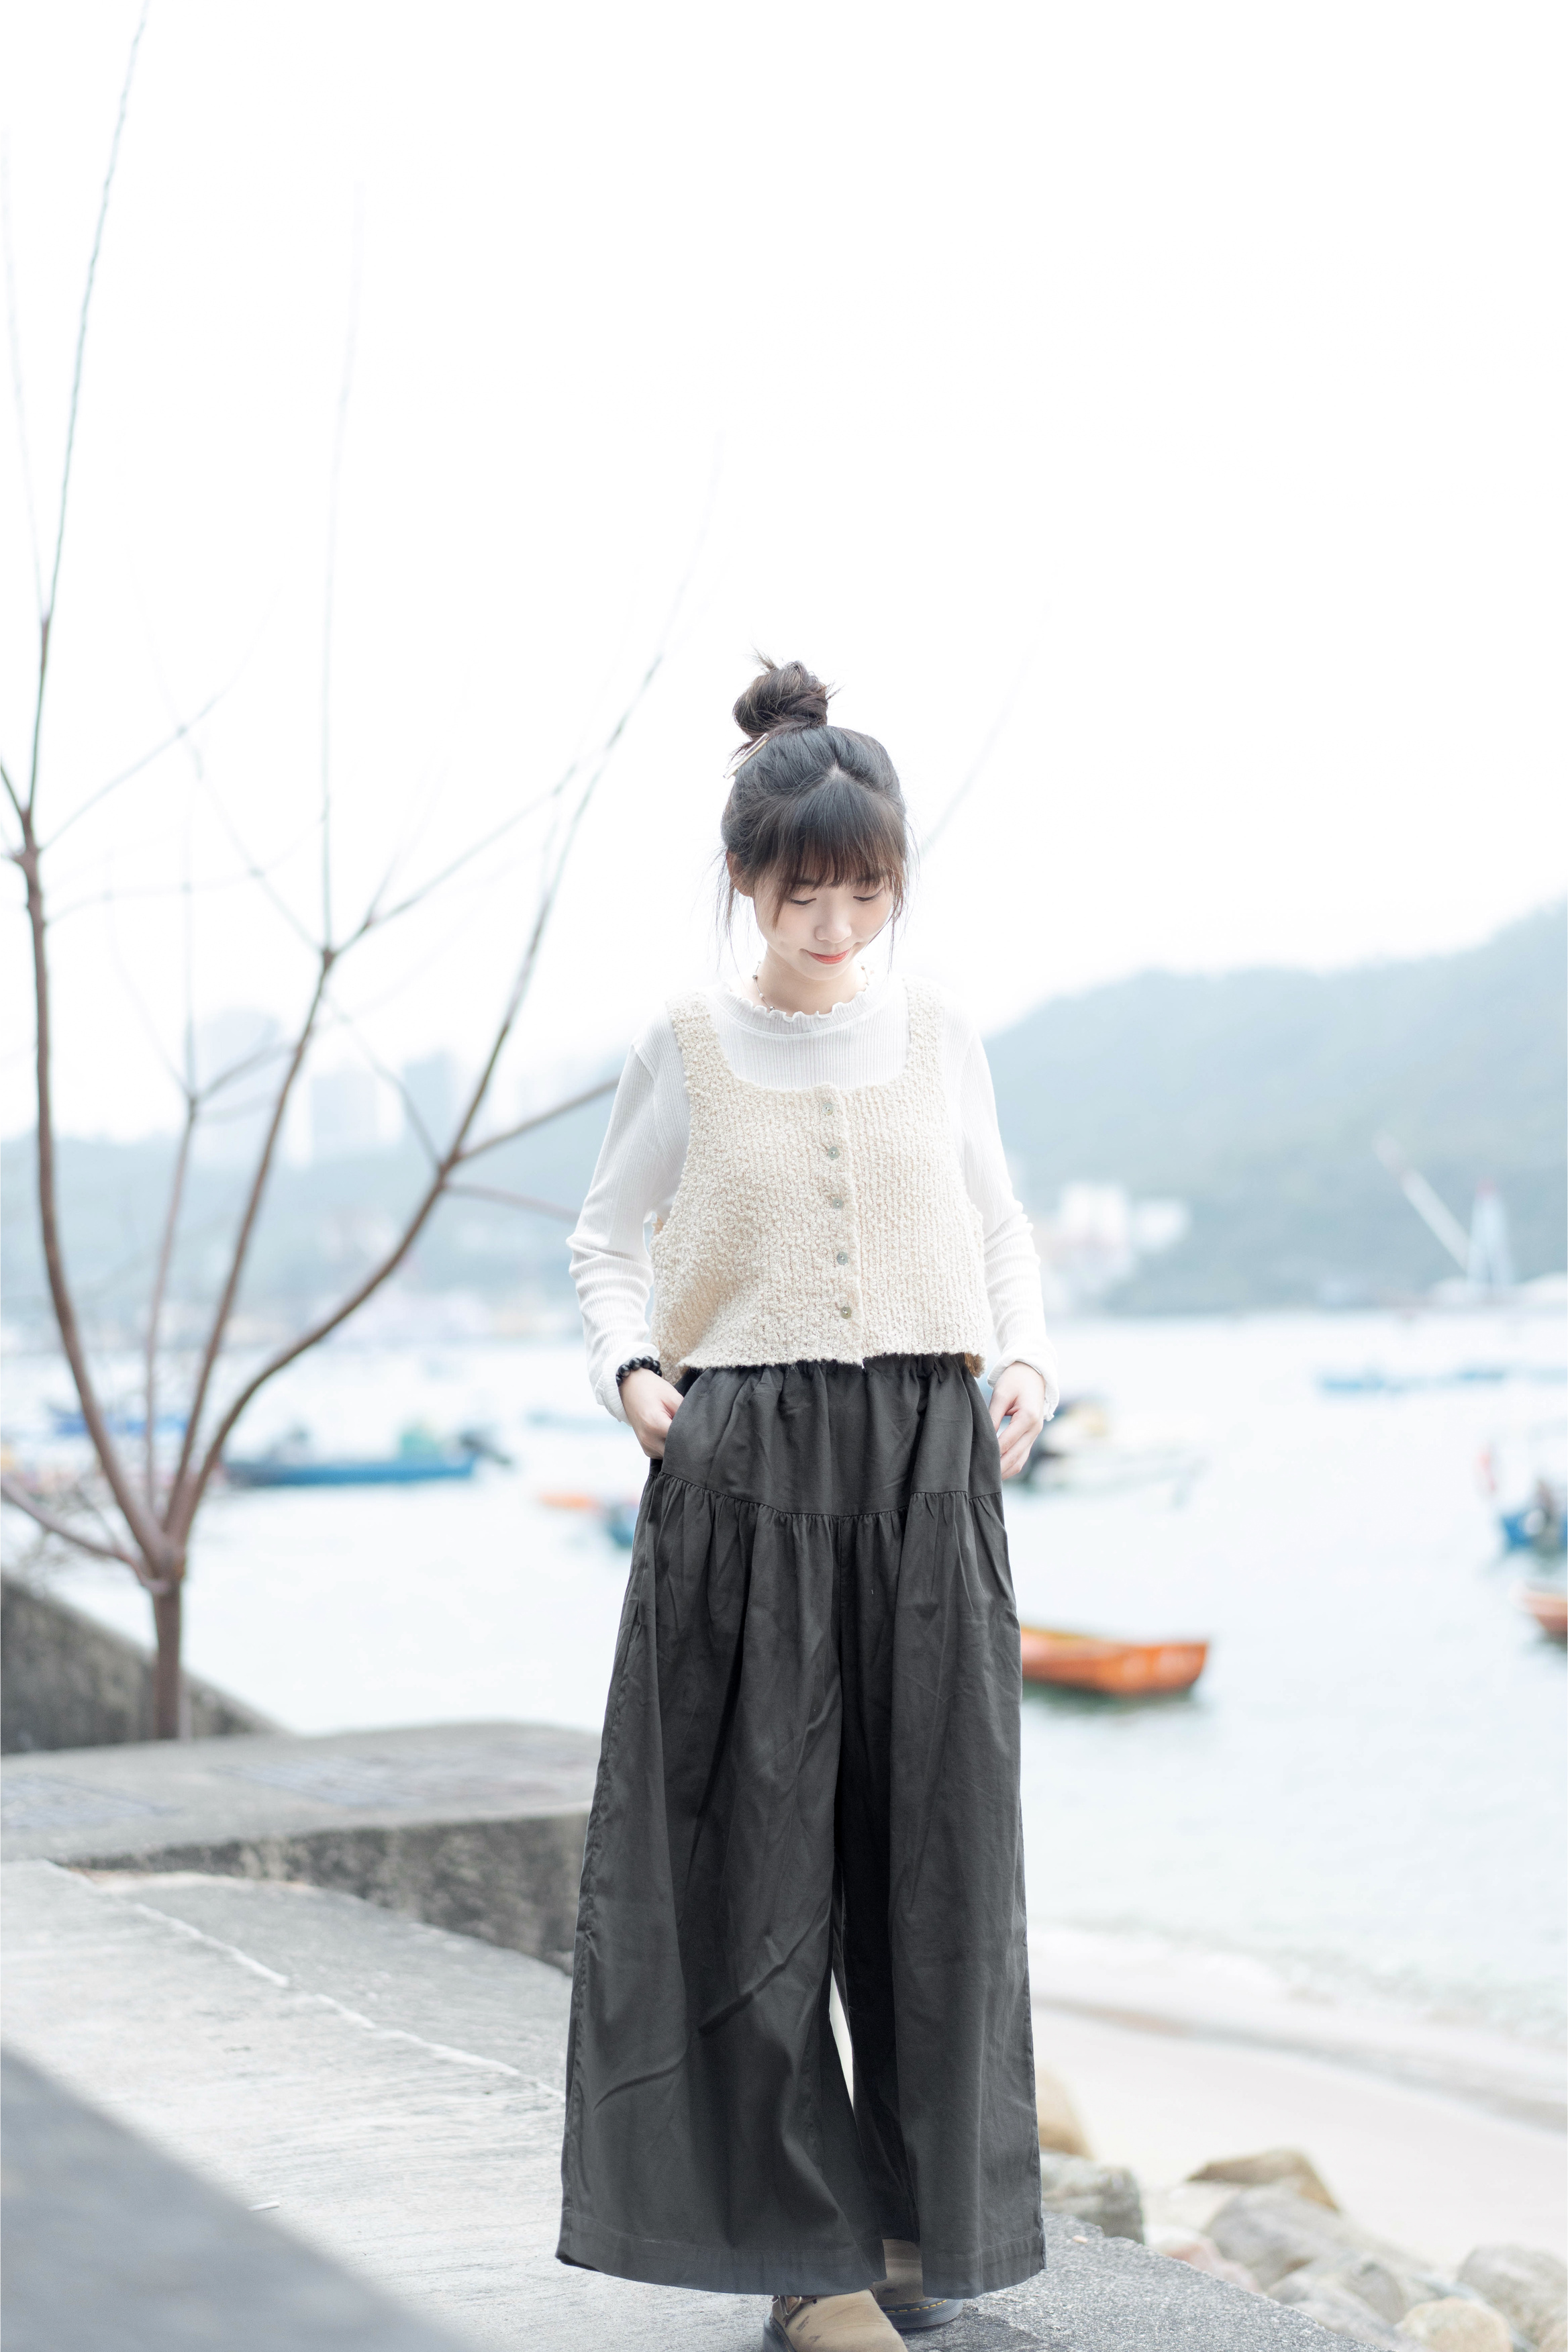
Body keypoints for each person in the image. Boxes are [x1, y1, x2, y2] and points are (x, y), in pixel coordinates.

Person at [558, 658, 1059, 2351]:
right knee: (756, 1880)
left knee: (938, 1862)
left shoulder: (941, 1036)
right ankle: (807, 2265)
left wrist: (1025, 1364)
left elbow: (999, 1227)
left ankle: (919, 2231)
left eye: (865, 892)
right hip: (745, 1478)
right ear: (744, 882)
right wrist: (635, 1378)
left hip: (929, 1470)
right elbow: (604, 1240)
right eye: (802, 895)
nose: (836, 926)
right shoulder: (686, 1045)